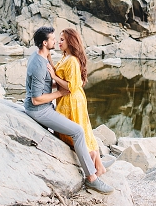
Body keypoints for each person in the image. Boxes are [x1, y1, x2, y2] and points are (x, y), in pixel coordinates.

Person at [23, 25, 113, 194]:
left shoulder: (40, 55)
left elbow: (53, 65)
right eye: (53, 39)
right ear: (44, 43)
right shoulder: (39, 65)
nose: (56, 41)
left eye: (59, 39)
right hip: (39, 110)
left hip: (46, 106)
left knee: (81, 130)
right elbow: (35, 100)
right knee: (78, 131)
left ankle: (94, 161)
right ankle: (91, 178)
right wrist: (59, 93)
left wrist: (50, 60)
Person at [46, 28, 106, 176]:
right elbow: (60, 77)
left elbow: (71, 86)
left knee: (79, 132)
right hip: (66, 99)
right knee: (79, 131)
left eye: (62, 40)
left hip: (73, 101)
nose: (59, 42)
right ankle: (99, 165)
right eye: (59, 39)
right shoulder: (65, 57)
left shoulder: (72, 60)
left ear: (70, 41)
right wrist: (49, 60)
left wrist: (53, 75)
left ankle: (95, 166)